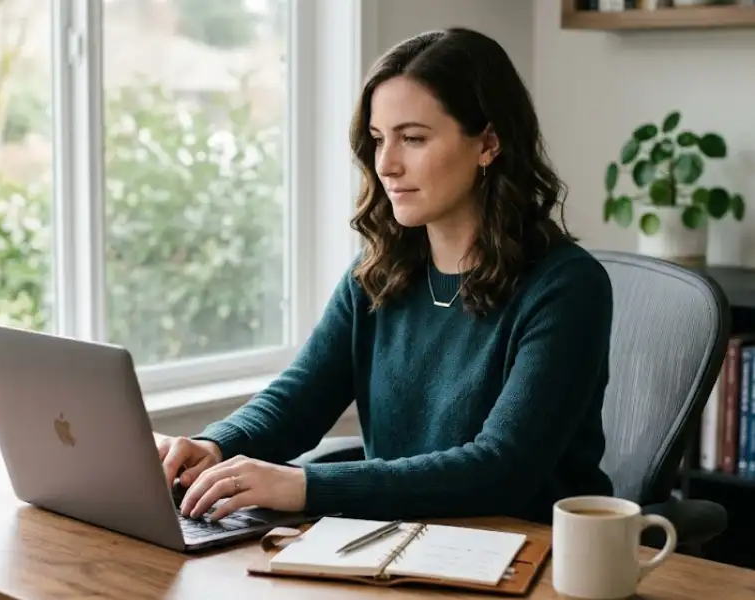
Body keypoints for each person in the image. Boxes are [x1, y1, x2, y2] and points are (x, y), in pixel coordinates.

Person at [154, 27, 614, 525]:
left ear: (488, 142)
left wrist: (303, 485)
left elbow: (501, 469)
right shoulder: (377, 274)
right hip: (398, 543)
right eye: (378, 140)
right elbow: (298, 400)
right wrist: (213, 446)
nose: (387, 164)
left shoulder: (566, 287)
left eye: (413, 138)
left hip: (527, 556)